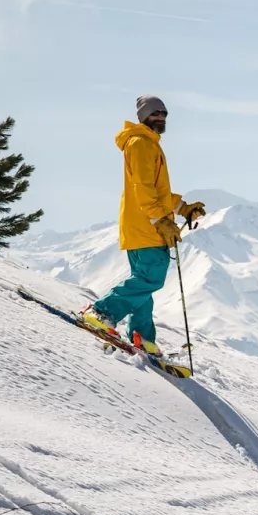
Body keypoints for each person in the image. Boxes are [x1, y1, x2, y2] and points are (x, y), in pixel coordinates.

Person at [81, 95, 204, 355]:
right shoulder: (140, 144)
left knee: (143, 283)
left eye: (164, 113)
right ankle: (102, 311)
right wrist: (160, 220)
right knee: (151, 279)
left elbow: (157, 191)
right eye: (155, 113)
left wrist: (183, 208)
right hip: (146, 227)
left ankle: (142, 336)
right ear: (143, 116)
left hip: (141, 225)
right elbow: (143, 189)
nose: (161, 117)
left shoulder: (147, 143)